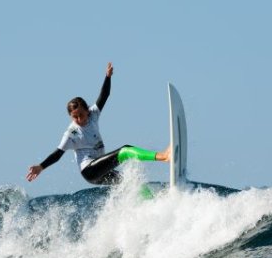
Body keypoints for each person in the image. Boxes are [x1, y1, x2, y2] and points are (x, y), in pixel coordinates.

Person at [26, 62, 170, 186]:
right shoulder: (71, 133)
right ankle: (163, 156)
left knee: (130, 182)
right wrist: (41, 167)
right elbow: (58, 154)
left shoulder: (93, 114)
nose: (79, 119)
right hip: (90, 171)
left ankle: (145, 204)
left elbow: (104, 95)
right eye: (74, 117)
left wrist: (108, 77)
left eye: (81, 115)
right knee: (125, 151)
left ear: (88, 111)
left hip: (100, 170)